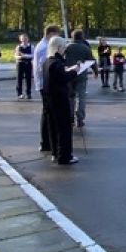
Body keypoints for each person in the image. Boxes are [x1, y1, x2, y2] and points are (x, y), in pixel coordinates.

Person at [45, 36, 80, 165]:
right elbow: (63, 78)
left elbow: (58, 76)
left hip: (51, 99)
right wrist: (75, 71)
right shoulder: (56, 63)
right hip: (59, 99)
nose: (65, 49)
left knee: (53, 128)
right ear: (58, 48)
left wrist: (67, 70)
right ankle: (65, 156)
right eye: (64, 47)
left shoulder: (48, 61)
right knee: (64, 129)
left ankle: (55, 152)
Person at [34, 25, 61, 153]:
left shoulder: (42, 45)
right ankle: (46, 142)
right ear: (50, 34)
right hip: (45, 84)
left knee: (47, 113)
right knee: (47, 114)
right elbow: (43, 67)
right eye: (56, 35)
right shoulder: (45, 47)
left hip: (44, 83)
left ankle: (47, 142)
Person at [63, 30, 93, 126]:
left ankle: (70, 117)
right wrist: (96, 71)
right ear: (82, 37)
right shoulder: (85, 47)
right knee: (81, 97)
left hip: (69, 74)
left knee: (70, 97)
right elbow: (91, 60)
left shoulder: (67, 47)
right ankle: (79, 118)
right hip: (82, 75)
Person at [15, 33, 34, 99]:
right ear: (20, 39)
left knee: (28, 79)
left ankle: (28, 93)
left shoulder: (31, 46)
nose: (24, 40)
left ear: (28, 39)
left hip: (28, 64)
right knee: (19, 78)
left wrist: (25, 55)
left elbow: (33, 55)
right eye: (22, 39)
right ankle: (19, 93)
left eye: (25, 39)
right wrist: (19, 57)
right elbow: (16, 56)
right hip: (20, 63)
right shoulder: (18, 47)